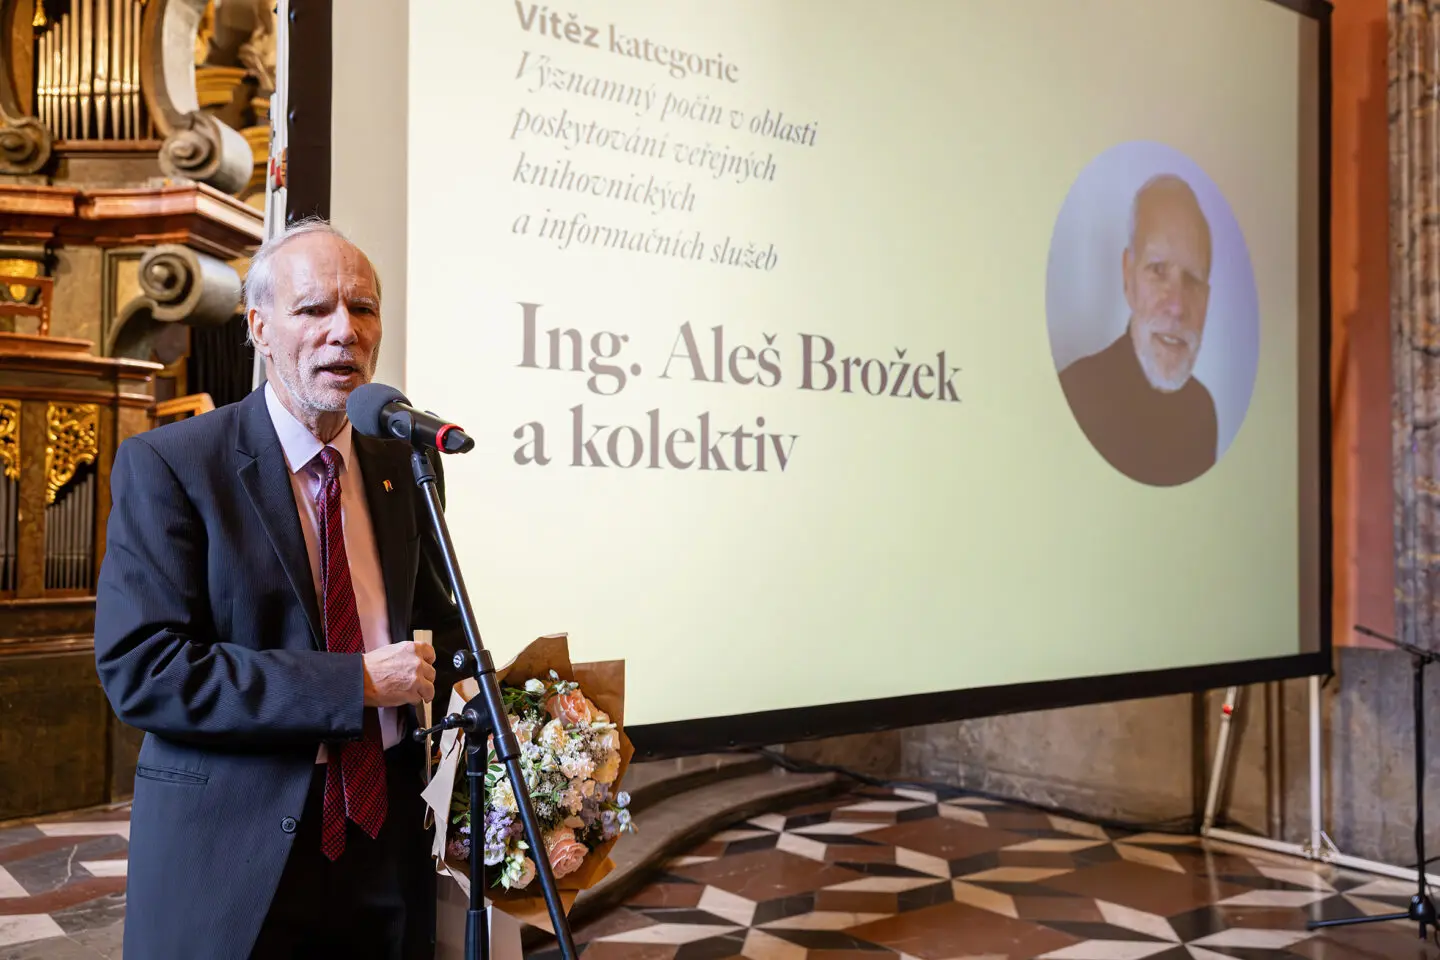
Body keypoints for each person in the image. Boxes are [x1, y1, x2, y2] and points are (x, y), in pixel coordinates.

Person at [94, 219, 464, 959]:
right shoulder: (172, 464)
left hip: (385, 835)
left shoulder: (401, 463)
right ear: (260, 328)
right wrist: (353, 684)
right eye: (314, 309)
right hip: (235, 852)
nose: (345, 330)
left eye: (363, 308)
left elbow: (433, 621)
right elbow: (145, 671)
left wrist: (523, 713)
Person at [1059, 173, 1218, 487]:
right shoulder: (1075, 395)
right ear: (1127, 275)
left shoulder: (1204, 412)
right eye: (1158, 270)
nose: (1177, 306)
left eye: (1192, 280)